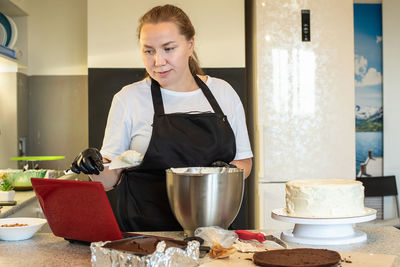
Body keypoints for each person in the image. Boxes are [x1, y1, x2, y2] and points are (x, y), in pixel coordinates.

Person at [70, 4, 253, 232]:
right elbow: (109, 179)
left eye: (168, 49)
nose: (158, 61)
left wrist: (227, 171)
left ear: (190, 45)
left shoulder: (223, 92)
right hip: (145, 235)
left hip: (213, 234)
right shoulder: (129, 98)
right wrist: (93, 166)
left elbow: (245, 162)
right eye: (149, 51)